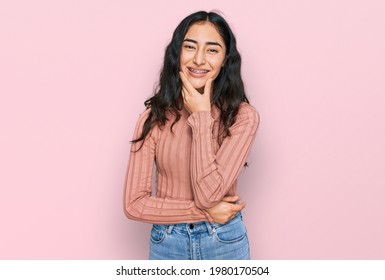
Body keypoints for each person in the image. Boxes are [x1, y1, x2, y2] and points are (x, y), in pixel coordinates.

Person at [123, 10, 259, 260]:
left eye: (212, 50)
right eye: (190, 47)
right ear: (177, 53)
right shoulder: (153, 118)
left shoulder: (243, 117)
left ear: (225, 59)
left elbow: (209, 194)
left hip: (224, 240)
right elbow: (134, 204)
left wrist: (201, 116)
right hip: (167, 243)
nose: (199, 60)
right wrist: (204, 212)